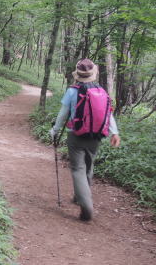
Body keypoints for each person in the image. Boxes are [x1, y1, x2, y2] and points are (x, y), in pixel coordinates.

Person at [50, 58, 121, 221]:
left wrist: (54, 130)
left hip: (76, 135)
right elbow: (108, 114)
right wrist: (114, 133)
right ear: (93, 74)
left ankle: (86, 205)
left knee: (77, 169)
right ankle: (80, 196)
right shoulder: (101, 91)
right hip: (96, 136)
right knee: (88, 166)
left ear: (78, 75)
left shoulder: (72, 91)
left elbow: (62, 114)